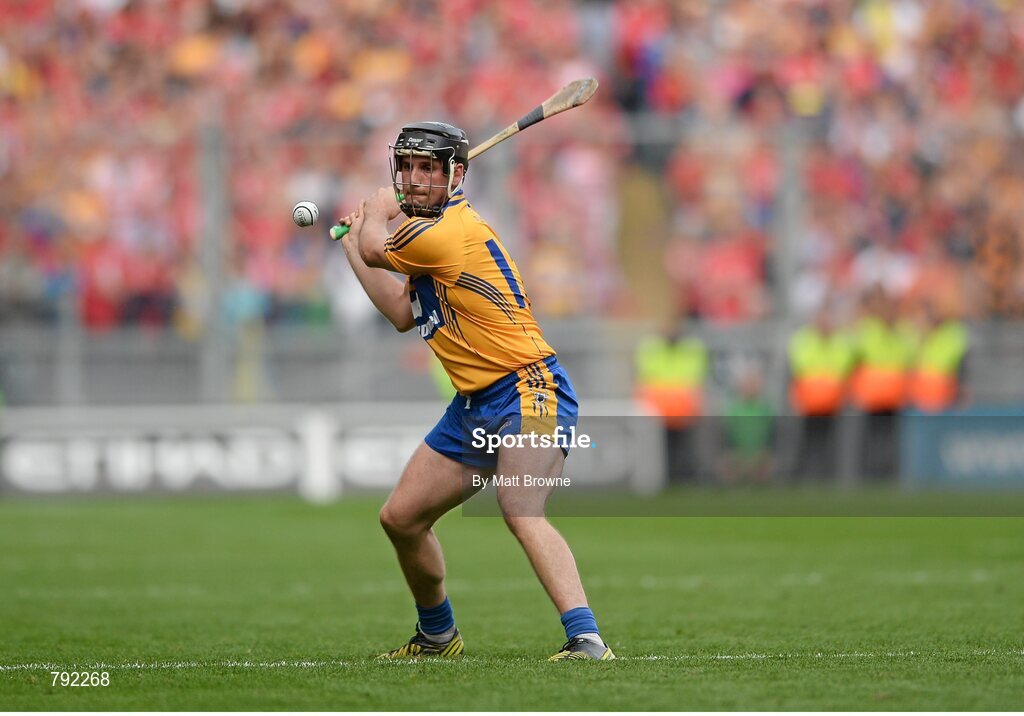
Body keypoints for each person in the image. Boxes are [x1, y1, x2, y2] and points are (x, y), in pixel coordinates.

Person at [335, 121, 614, 662]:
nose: (414, 179)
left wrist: (372, 215)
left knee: (519, 504)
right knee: (401, 518)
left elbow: (377, 248)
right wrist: (355, 243)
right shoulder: (421, 234)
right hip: (474, 406)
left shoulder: (445, 232)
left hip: (530, 387)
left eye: (427, 169)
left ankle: (587, 639)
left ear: (454, 175)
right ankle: (438, 635)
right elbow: (399, 311)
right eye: (407, 167)